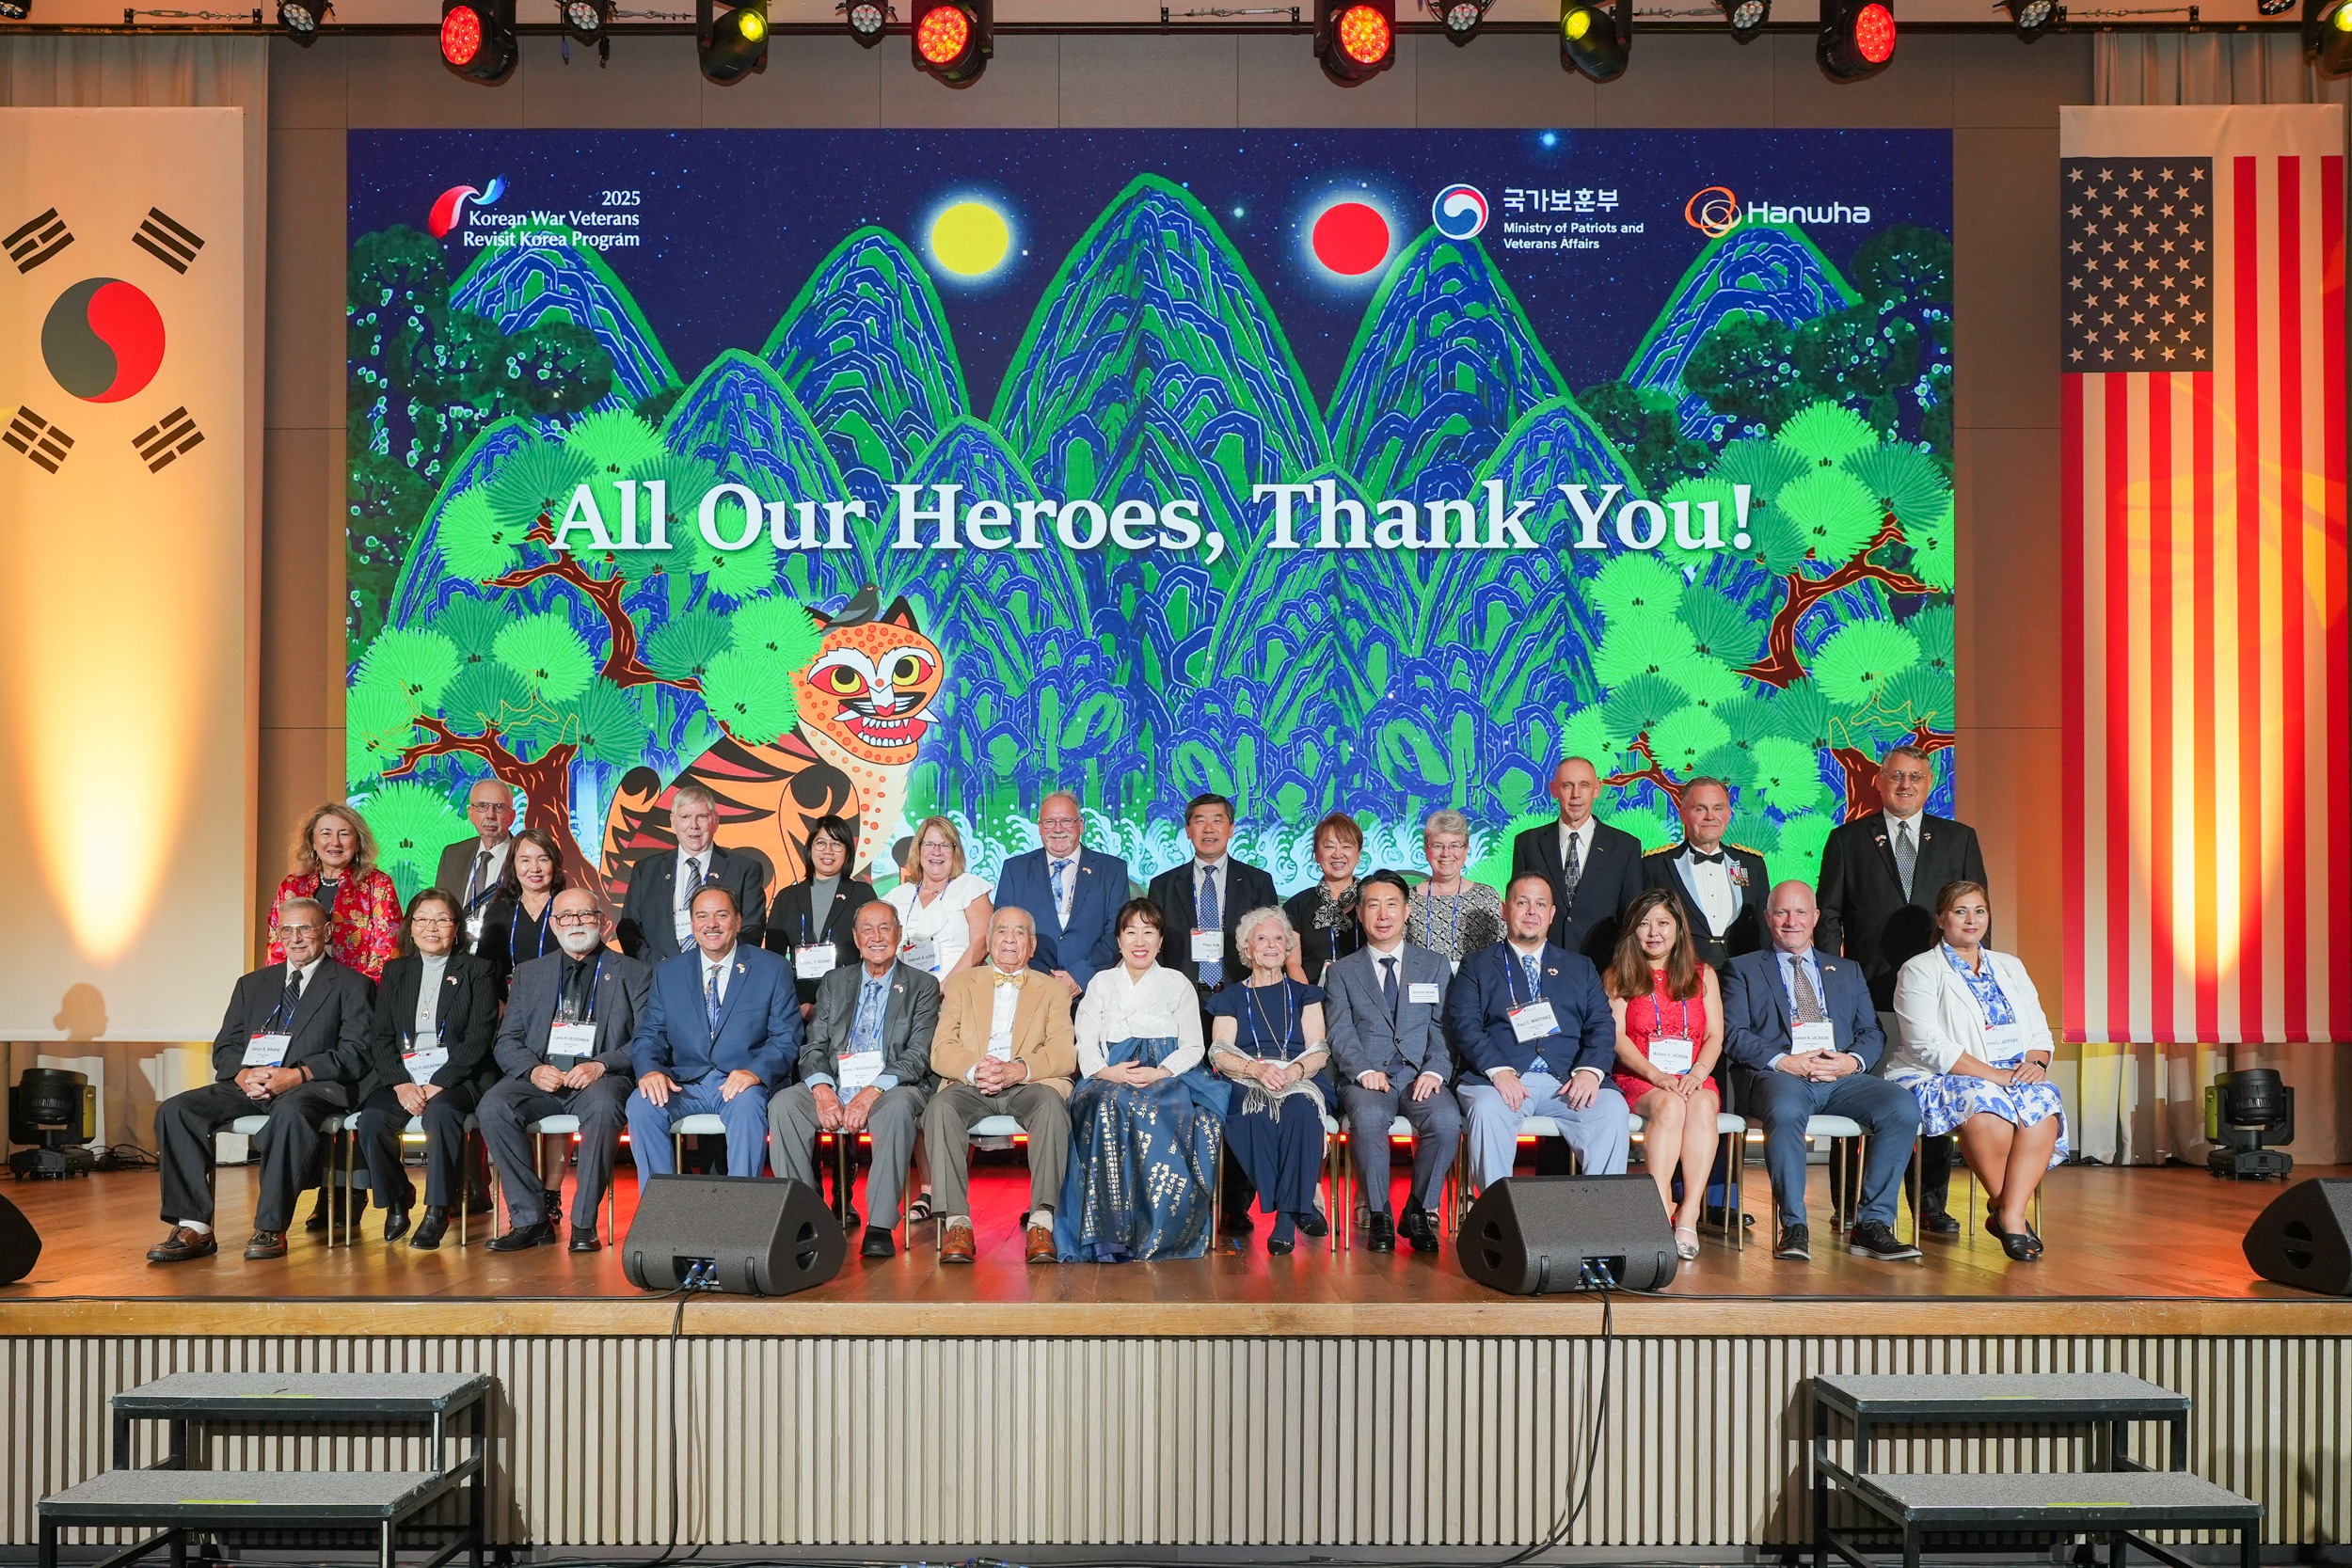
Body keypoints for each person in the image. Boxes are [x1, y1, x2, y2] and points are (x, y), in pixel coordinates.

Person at [1816, 743, 1989, 1235]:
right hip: (1866, 993)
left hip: (1940, 993)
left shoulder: (1959, 839)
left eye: (1915, 776)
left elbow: (1976, 916)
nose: (1905, 785)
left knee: (1935, 1094)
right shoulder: (1847, 839)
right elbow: (1828, 916)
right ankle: (1848, 1203)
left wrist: (1974, 983)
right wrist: (1834, 982)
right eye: (1896, 776)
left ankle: (1928, 1203)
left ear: (1929, 781)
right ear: (1880, 781)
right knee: (1854, 1094)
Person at [146, 898, 374, 1263]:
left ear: (327, 932)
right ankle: (194, 1227)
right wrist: (243, 1073)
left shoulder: (352, 985)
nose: (296, 939)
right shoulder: (252, 985)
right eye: (287, 930)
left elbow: (357, 1052)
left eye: (306, 929)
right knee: (177, 1110)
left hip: (312, 1085)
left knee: (291, 1113)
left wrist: (296, 1074)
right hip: (251, 1082)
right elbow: (226, 1046)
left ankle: (271, 1227)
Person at [1720, 881, 1923, 1263]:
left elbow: (1870, 1032)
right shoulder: (1742, 969)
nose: (1791, 921)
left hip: (1841, 1076)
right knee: (1784, 1109)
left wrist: (1852, 1062)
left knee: (1902, 1107)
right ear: (1768, 918)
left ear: (1815, 918)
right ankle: (1794, 1226)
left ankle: (1872, 1224)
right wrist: (1785, 1062)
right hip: (1781, 1076)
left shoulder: (1846, 970)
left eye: (1800, 913)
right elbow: (1734, 1033)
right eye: (1781, 912)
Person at [1888, 881, 2063, 1262]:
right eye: (1960, 911)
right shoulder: (1920, 969)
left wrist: (2034, 1063)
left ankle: (2008, 1213)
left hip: (2013, 1072)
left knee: (2044, 1102)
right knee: (1987, 1112)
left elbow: (2038, 1028)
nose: (1971, 920)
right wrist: (1994, 1076)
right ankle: (2010, 1212)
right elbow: (1926, 1044)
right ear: (1941, 918)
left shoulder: (2010, 966)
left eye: (1979, 911)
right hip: (1939, 1073)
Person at [479, 888, 651, 1253]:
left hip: (599, 1080)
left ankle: (583, 1225)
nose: (575, 923)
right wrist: (532, 1071)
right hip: (542, 1079)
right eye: (566, 916)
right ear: (554, 925)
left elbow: (647, 1039)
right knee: (493, 1107)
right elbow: (506, 1040)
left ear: (603, 923)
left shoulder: (634, 973)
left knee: (605, 1109)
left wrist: (601, 1064)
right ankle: (532, 1219)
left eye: (585, 915)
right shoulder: (529, 973)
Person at [1054, 899, 1223, 1262]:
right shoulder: (1100, 982)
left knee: (1168, 1109)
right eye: (1131, 932)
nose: (1140, 940)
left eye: (1149, 932)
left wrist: (1161, 1071)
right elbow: (1085, 1038)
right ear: (1118, 940)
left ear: (1161, 941)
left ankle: (1158, 1228)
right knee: (1106, 1101)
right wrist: (1106, 1071)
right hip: (1109, 1073)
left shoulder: (1177, 983)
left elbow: (1194, 1044)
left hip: (1164, 1073)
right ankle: (1107, 1234)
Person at [769, 900, 940, 1260]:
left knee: (895, 1112)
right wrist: (821, 1089)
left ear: (899, 933)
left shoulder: (923, 985)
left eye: (884, 928)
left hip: (893, 1086)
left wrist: (871, 1091)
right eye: (867, 929)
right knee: (784, 1105)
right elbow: (814, 1045)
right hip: (835, 1080)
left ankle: (879, 1226)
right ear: (855, 937)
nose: (876, 937)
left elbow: (918, 1055)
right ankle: (805, 1218)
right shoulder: (835, 981)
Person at [1448, 876, 1630, 1192]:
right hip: (1499, 1080)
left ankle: (1603, 1224)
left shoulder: (1580, 967)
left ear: (1551, 913)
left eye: (1540, 904)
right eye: (1522, 902)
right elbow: (1464, 1024)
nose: (1531, 911)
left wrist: (1590, 1072)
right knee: (1488, 1109)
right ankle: (1498, 1221)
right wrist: (1499, 1071)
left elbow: (1602, 1024)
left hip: (1567, 1080)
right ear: (1505, 910)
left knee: (1612, 1108)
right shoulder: (1476, 965)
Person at [924, 907, 1077, 1265]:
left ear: (1033, 945)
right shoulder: (961, 984)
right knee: (939, 1108)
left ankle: (1041, 1222)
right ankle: (957, 1224)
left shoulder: (1054, 991)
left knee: (1052, 1107)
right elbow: (942, 1048)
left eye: (1020, 932)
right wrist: (977, 1069)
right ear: (989, 941)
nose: (1010, 938)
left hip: (1028, 1082)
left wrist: (1018, 1070)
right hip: (971, 1082)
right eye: (1002, 931)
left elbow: (1063, 1053)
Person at [349, 888, 501, 1250]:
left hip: (459, 1075)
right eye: (423, 919)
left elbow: (479, 1037)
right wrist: (401, 1084)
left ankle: (438, 1209)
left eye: (442, 919)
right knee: (370, 1120)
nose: (432, 927)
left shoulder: (477, 970)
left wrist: (438, 1084)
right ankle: (397, 1196)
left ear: (456, 928)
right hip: (406, 1073)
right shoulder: (396, 970)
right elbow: (381, 1036)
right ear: (411, 927)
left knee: (442, 1115)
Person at [625, 885, 802, 1183]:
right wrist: (650, 1071)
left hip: (742, 1083)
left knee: (747, 1108)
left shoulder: (772, 968)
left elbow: (787, 1036)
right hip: (684, 1083)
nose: (712, 924)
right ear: (692, 923)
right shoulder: (668, 972)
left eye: (721, 915)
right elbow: (649, 1035)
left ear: (738, 921)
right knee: (641, 1105)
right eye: (702, 916)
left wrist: (755, 1072)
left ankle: (740, 1217)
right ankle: (660, 1218)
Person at [1322, 871, 1458, 1255]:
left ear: (1408, 911)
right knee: (1365, 1121)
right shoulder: (1342, 972)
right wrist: (1364, 1070)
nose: (1383, 915)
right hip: (1366, 1077)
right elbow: (1339, 1031)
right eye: (1373, 906)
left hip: (1420, 1078)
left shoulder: (1434, 965)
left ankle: (1417, 1210)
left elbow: (1444, 1027)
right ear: (1361, 915)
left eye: (1392, 904)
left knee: (1447, 1120)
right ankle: (1380, 1213)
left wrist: (1434, 1070)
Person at [1602, 888, 1725, 1261]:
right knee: (1671, 1106)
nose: (1653, 932)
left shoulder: (1703, 974)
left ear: (1678, 928)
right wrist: (1656, 1075)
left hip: (1692, 1074)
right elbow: (1617, 1038)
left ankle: (1688, 1214)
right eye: (1643, 924)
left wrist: (1699, 1071)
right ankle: (1657, 1210)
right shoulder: (1619, 974)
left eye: (1662, 923)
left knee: (1703, 1105)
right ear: (1632, 931)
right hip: (1641, 1076)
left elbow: (1714, 1035)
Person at [1208, 906, 1333, 1256]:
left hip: (1298, 1075)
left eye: (1279, 938)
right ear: (1247, 948)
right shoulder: (1232, 997)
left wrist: (1292, 1072)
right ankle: (1301, 1206)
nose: (1271, 945)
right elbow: (1219, 1052)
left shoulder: (1306, 994)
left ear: (1289, 947)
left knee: (1300, 1111)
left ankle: (1284, 1221)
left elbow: (1319, 1049)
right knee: (1256, 1115)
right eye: (1262, 938)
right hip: (1247, 1079)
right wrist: (1256, 1070)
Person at [993, 792, 1132, 1003]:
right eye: (1049, 822)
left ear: (1081, 825)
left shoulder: (1112, 870)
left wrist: (1080, 976)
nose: (1058, 829)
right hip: (1028, 993)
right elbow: (1003, 933)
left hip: (1093, 995)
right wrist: (1040, 979)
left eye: (1066, 821)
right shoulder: (1015, 870)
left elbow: (1117, 932)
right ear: (1039, 827)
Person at [1145, 793, 1280, 1001]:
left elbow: (1270, 943)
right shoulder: (1163, 886)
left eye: (1217, 820)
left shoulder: (1258, 882)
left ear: (1232, 829)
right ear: (1188, 831)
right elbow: (1156, 945)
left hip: (1242, 994)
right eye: (1200, 821)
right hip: (1179, 996)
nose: (1208, 829)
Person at [615, 783, 770, 963]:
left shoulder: (744, 869)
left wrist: (715, 962)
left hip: (722, 976)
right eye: (685, 817)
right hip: (660, 978)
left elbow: (753, 929)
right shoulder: (646, 870)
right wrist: (659, 967)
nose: (693, 825)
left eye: (702, 816)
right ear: (673, 822)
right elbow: (629, 930)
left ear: (715, 820)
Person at [1511, 756, 1645, 961]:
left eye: (1584, 785)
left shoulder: (1625, 847)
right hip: (1542, 966)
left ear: (1597, 789)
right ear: (1554, 790)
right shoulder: (1528, 844)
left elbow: (1632, 918)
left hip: (1603, 971)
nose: (1576, 795)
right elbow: (1519, 912)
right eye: (1567, 786)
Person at [1639, 779, 1769, 971]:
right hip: (1681, 975)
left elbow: (1764, 928)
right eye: (1700, 809)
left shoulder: (1752, 864)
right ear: (1683, 814)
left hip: (1744, 975)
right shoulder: (1655, 866)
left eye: (1717, 808)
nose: (1710, 816)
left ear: (1728, 814)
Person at [265, 802, 403, 982]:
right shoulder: (291, 885)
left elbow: (387, 947)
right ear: (313, 842)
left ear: (358, 843)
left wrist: (362, 991)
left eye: (344, 834)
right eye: (326, 834)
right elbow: (277, 944)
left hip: (357, 991)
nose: (335, 842)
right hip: (301, 990)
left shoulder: (377, 884)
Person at [761, 815, 878, 1019]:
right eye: (821, 843)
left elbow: (874, 954)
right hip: (797, 1006)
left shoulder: (863, 894)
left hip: (849, 1003)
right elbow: (773, 961)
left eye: (836, 844)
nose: (828, 851)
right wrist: (797, 1005)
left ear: (848, 851)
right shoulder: (787, 897)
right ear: (810, 848)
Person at [883, 816, 993, 980]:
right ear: (918, 849)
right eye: (929, 844)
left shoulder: (970, 888)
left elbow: (982, 942)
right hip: (905, 994)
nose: (937, 852)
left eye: (945, 845)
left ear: (955, 851)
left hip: (955, 994)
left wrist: (945, 987)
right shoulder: (896, 896)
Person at [1406, 810, 1504, 971]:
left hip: (1477, 990)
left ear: (1466, 850)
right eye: (1438, 845)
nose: (1446, 853)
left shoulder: (1487, 896)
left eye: (1454, 845)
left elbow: (1501, 952)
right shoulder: (1408, 899)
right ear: (1426, 849)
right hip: (1423, 991)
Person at [475, 827, 566, 995]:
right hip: (511, 1007)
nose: (535, 868)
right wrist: (497, 1003)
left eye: (543, 859)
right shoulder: (499, 912)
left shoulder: (568, 909)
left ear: (554, 863)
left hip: (559, 1005)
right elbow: (484, 966)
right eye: (525, 860)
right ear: (513, 865)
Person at [1282, 812, 1366, 989]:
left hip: (1366, 1003)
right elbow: (1293, 963)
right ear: (1316, 854)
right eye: (1329, 847)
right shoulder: (1297, 906)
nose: (1338, 854)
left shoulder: (1371, 901)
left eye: (1346, 846)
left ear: (1358, 854)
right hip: (1314, 1001)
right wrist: (1309, 1002)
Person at [434, 776, 517, 947]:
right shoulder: (452, 854)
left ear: (511, 816)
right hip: (457, 955)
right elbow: (440, 909)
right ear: (470, 813)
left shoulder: (525, 859)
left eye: (499, 807)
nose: (490, 815)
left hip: (503, 955)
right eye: (482, 806)